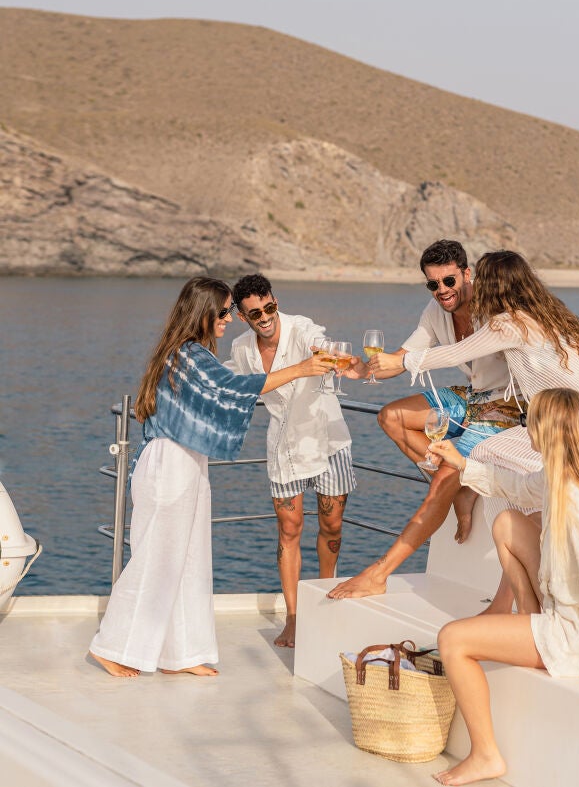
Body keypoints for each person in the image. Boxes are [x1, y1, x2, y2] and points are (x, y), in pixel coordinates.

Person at [356, 249, 579, 614]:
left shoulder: (509, 323)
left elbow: (456, 354)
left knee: (499, 472)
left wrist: (402, 361)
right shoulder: (543, 313)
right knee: (502, 487)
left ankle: (531, 605)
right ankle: (515, 601)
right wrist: (370, 368)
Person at [89, 276, 332, 678]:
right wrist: (303, 368)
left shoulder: (188, 353)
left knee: (188, 560)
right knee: (157, 559)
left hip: (186, 462)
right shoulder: (187, 355)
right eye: (223, 313)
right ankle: (112, 646)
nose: (230, 320)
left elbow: (219, 391)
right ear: (202, 313)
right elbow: (234, 387)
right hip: (169, 463)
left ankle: (179, 654)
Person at [429, 387, 579, 786]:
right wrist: (461, 463)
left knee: (453, 639)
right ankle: (528, 615)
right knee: (507, 522)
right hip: (561, 613)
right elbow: (515, 487)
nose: (525, 423)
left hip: (573, 637)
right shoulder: (560, 476)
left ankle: (485, 755)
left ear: (548, 429)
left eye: (531, 418)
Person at [328, 240, 521, 603]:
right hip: (472, 395)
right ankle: (461, 488)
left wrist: (401, 363)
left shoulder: (493, 307)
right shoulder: (434, 313)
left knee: (442, 479)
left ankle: (380, 573)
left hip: (507, 408)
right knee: (392, 417)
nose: (442, 291)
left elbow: (433, 358)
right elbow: (401, 357)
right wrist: (361, 368)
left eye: (449, 281)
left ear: (467, 273)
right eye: (433, 284)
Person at [226, 273, 357, 648]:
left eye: (269, 307)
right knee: (289, 530)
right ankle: (295, 618)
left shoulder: (301, 330)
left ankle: (327, 600)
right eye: (255, 313)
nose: (265, 317)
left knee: (331, 527)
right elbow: (228, 382)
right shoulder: (242, 350)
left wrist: (341, 359)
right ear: (242, 316)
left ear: (275, 301)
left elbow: (321, 342)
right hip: (283, 447)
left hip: (329, 440)